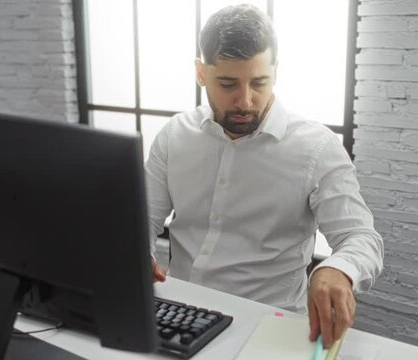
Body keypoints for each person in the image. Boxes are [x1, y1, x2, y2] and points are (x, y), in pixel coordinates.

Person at [145, 4, 383, 349]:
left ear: (276, 72)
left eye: (260, 82)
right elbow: (142, 219)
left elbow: (362, 237)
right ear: (201, 73)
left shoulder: (316, 147)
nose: (245, 100)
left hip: (269, 326)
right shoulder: (174, 135)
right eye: (227, 83)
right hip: (179, 312)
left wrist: (339, 269)